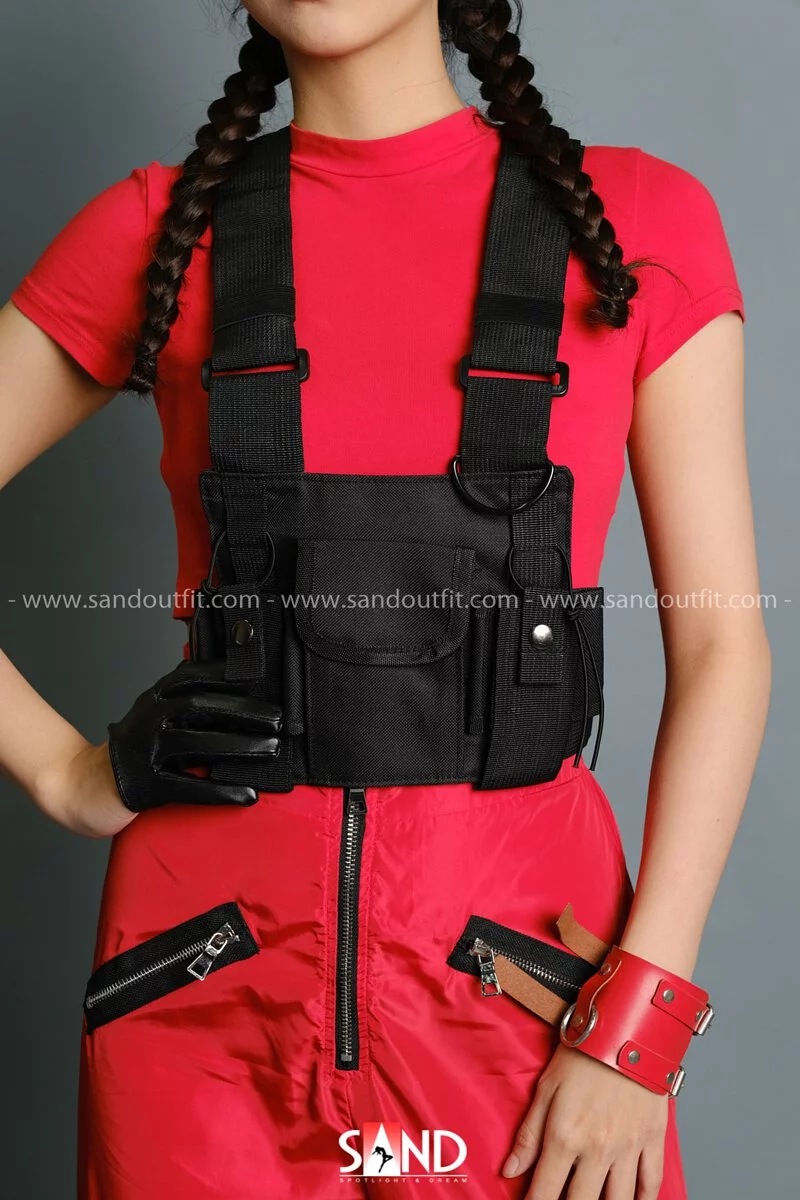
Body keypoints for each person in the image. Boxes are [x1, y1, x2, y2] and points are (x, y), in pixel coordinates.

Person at [0, 2, 770, 1198]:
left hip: (525, 1002)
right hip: (202, 1006)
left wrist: (636, 1027)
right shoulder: (161, 229)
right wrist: (64, 773)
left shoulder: (633, 220)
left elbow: (720, 645)